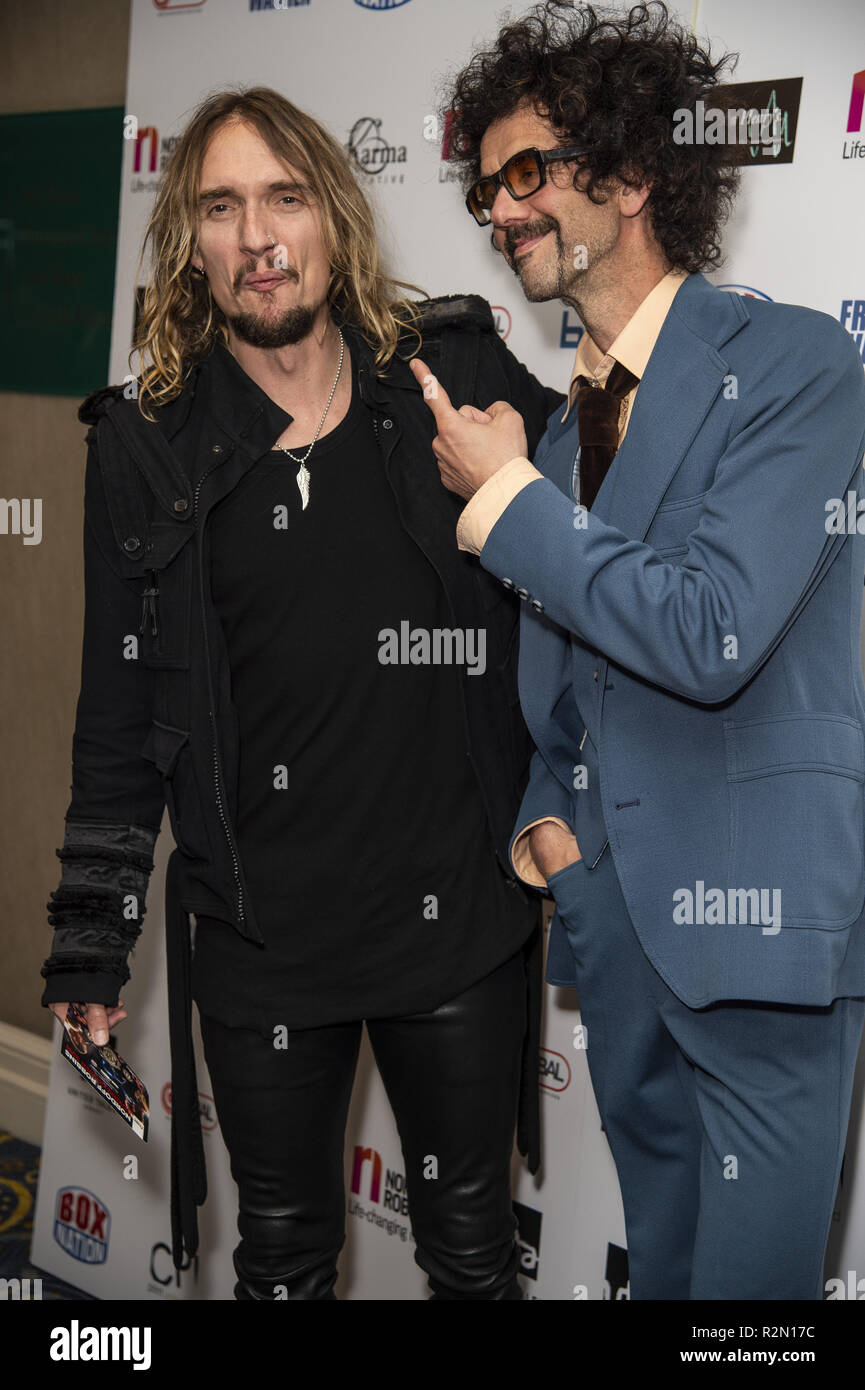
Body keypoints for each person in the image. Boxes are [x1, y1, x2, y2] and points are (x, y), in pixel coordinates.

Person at [40, 85, 564, 1301]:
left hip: (456, 923)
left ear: (332, 216)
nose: (257, 234)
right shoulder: (143, 444)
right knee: (281, 1264)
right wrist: (88, 948)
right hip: (263, 938)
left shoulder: (450, 372)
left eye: (283, 196)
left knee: (473, 1256)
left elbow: (595, 544)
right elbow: (118, 715)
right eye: (221, 205)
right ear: (191, 241)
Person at [412, 1, 865, 1299]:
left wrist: (502, 505)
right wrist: (552, 829)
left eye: (526, 171)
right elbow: (572, 685)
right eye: (484, 185)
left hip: (759, 930)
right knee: (662, 1267)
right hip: (615, 933)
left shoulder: (792, 361)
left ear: (630, 172)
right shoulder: (557, 437)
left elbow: (710, 630)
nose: (499, 211)